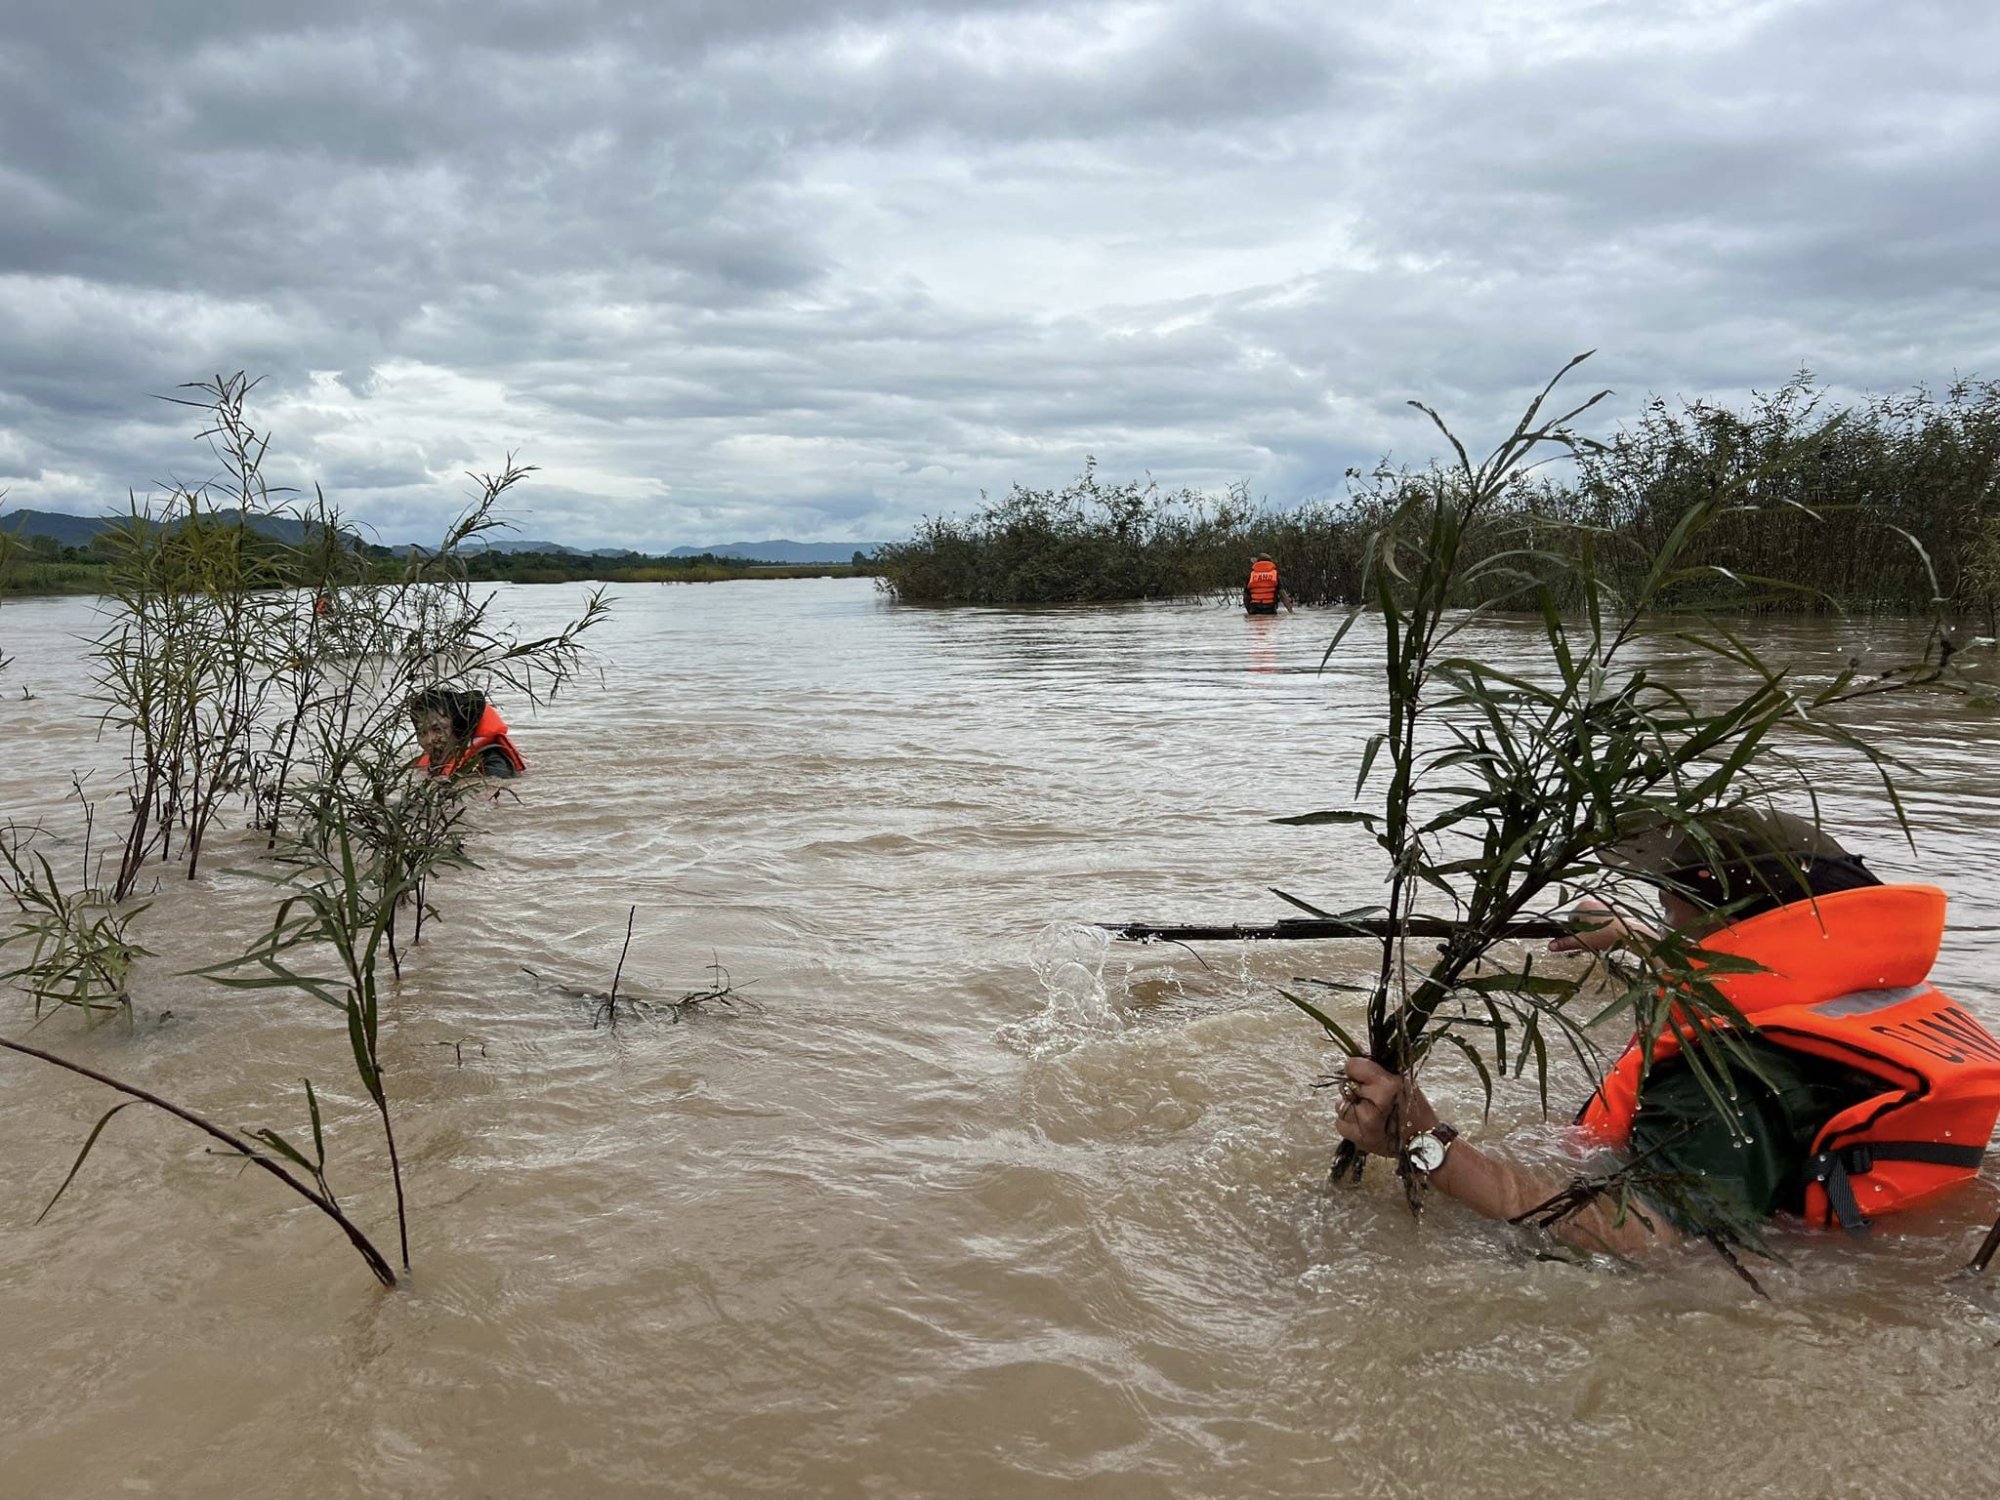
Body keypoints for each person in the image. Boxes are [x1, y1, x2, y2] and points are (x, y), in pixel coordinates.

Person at [1333, 809, 2000, 1254]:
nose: (1663, 921)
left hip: (1795, 1272)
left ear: (1724, 922)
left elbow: (1650, 1240)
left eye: (1669, 906)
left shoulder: (1725, 1072)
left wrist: (1430, 1146)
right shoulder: (1873, 990)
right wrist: (1631, 933)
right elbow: (1754, 975)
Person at [408, 688, 525, 779]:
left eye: (438, 729)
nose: (429, 740)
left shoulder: (493, 764)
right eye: (422, 733)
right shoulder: (425, 762)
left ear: (460, 729)